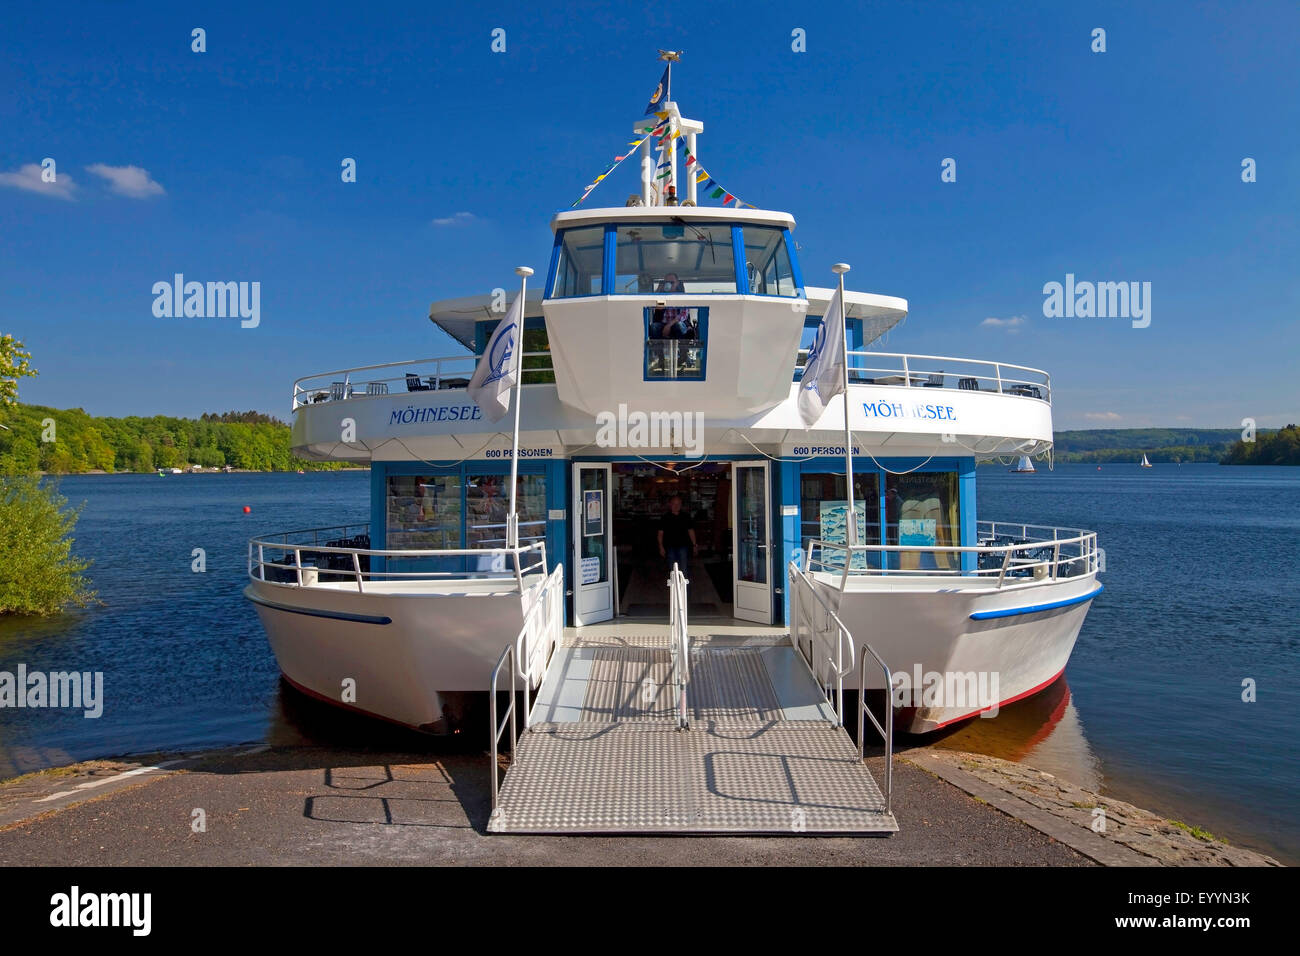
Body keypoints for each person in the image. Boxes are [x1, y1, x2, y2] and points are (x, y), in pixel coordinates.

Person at [657, 493, 697, 575]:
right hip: (670, 547)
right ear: (670, 504)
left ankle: (684, 586)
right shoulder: (665, 518)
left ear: (681, 505)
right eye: (674, 504)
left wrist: (695, 545)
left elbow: (691, 531)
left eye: (678, 504)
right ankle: (674, 586)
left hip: (683, 546)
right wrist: (661, 547)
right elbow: (660, 534)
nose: (676, 506)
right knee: (672, 570)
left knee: (684, 569)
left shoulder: (686, 516)